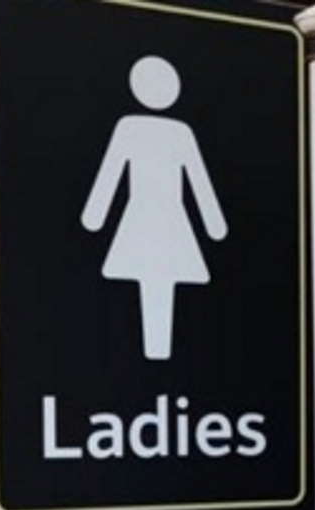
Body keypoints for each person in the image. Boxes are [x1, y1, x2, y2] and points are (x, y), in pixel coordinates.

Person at [81, 55, 227, 361]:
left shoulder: (172, 131)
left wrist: (215, 224)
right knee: (156, 280)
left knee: (159, 280)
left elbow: (198, 179)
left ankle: (158, 353)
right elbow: (111, 172)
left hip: (159, 220)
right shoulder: (137, 128)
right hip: (156, 219)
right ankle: (154, 354)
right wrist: (214, 226)